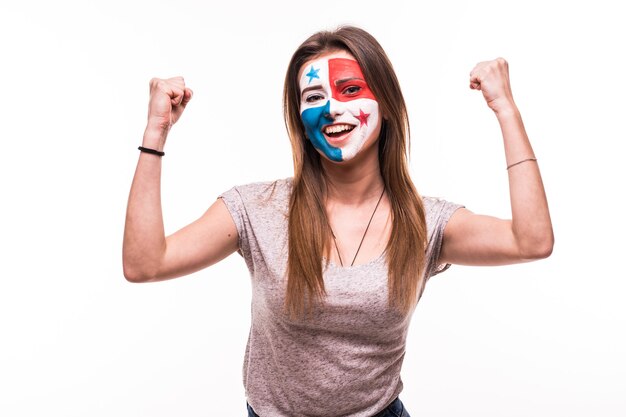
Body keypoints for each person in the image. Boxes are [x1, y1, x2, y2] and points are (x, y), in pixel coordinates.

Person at [123, 26, 553, 417]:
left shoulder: (426, 223)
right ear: (300, 119)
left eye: (350, 90)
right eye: (313, 98)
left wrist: (506, 110)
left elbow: (531, 240)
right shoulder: (256, 208)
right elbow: (145, 264)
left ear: (385, 104)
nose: (330, 109)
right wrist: (156, 131)